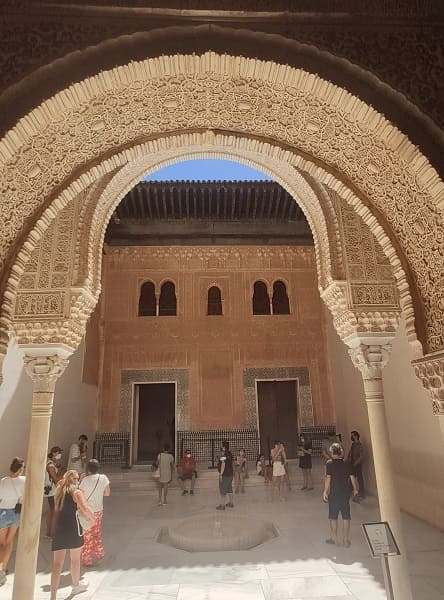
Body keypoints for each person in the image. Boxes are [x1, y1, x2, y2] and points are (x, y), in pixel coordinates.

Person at [50, 470, 94, 599]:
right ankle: (75, 586)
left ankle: (53, 595)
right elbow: (85, 508)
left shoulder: (58, 491)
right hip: (74, 528)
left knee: (57, 564)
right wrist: (93, 519)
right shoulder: (77, 492)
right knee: (75, 560)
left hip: (59, 528)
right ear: (76, 480)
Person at [323, 443, 359, 547]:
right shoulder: (347, 463)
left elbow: (328, 478)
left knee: (333, 517)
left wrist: (325, 491)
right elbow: (352, 477)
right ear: (341, 452)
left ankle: (334, 538)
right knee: (346, 516)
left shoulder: (329, 463)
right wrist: (355, 489)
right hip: (345, 493)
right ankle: (346, 539)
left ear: (332, 452)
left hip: (334, 493)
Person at [79, 459, 110, 567]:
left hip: (87, 510)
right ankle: (99, 552)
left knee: (87, 534)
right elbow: (107, 493)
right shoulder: (103, 478)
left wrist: (81, 480)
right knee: (96, 532)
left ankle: (87, 558)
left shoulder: (84, 480)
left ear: (87, 469)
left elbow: (80, 495)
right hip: (98, 510)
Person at [0, 457, 25, 586]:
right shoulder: (23, 481)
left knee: (1, 542)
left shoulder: (3, 480)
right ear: (20, 469)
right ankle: (2, 570)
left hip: (2, 512)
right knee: (9, 542)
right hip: (15, 512)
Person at [45, 446, 64, 538]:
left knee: (52, 511)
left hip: (53, 491)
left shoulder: (53, 464)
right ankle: (52, 533)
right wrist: (63, 474)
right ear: (54, 453)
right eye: (59, 453)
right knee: (55, 512)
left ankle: (50, 532)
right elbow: (56, 479)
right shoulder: (50, 465)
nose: (60, 455)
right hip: (52, 492)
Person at [347, 430, 365, 500]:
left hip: (357, 464)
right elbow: (350, 453)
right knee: (352, 477)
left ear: (356, 436)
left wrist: (356, 463)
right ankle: (351, 490)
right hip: (352, 463)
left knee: (359, 478)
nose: (351, 437)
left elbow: (361, 456)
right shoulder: (353, 444)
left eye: (352, 435)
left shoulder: (359, 445)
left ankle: (362, 492)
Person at [216, 440, 234, 510]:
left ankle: (222, 505)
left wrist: (221, 474)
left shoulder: (224, 455)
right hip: (230, 474)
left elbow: (223, 464)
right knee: (229, 488)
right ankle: (231, 503)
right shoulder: (230, 454)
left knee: (223, 489)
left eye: (221, 446)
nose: (221, 447)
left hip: (225, 475)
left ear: (224, 447)